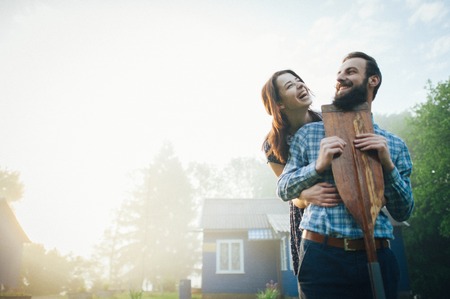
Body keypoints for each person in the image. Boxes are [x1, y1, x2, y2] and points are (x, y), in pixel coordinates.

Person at [277, 52, 414, 299]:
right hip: (321, 257)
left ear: (373, 80)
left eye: (350, 72)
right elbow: (283, 188)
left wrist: (387, 165)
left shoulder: (394, 145)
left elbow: (404, 210)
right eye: (339, 74)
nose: (340, 78)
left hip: (378, 255)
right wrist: (317, 166)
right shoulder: (309, 135)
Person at [261, 70, 341, 287]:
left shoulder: (330, 121)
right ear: (279, 105)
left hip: (341, 205)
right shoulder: (273, 145)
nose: (300, 86)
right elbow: (289, 192)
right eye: (290, 86)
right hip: (306, 214)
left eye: (299, 81)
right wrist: (306, 196)